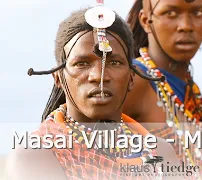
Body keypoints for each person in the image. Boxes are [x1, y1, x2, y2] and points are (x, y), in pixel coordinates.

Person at [4, 3, 179, 180]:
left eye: (114, 63)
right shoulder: (35, 157)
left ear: (132, 77)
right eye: (82, 63)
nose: (99, 76)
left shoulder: (161, 153)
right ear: (58, 78)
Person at [123, 0, 202, 178]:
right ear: (145, 20)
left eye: (197, 13)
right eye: (171, 13)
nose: (186, 26)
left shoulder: (192, 90)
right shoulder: (133, 81)